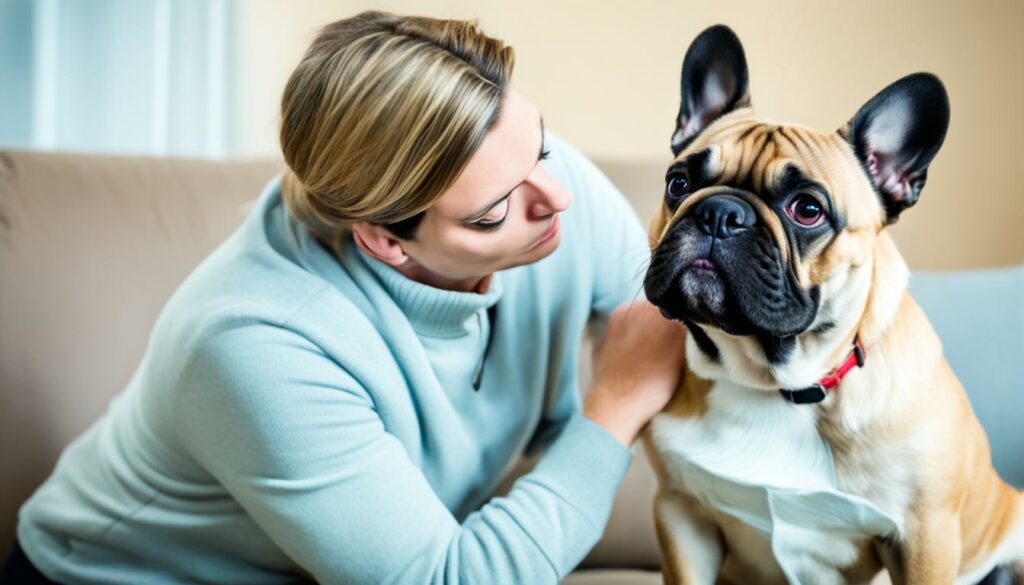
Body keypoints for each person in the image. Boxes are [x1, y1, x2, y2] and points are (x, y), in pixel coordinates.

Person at [2, 11, 686, 584]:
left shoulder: (539, 187)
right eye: (493, 212)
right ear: (388, 241)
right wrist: (611, 407)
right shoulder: (252, 345)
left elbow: (673, 334)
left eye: (538, 146)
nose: (558, 195)